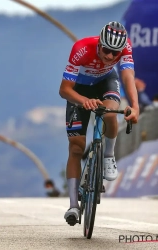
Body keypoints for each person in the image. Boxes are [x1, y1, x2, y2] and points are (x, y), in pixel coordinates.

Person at [59, 21, 139, 225]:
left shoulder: (125, 48)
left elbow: (128, 76)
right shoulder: (81, 49)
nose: (110, 56)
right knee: (76, 148)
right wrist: (84, 101)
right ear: (99, 43)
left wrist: (135, 106)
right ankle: (73, 206)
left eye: (115, 53)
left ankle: (108, 156)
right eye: (106, 50)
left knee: (111, 114)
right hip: (79, 91)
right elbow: (64, 90)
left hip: (106, 82)